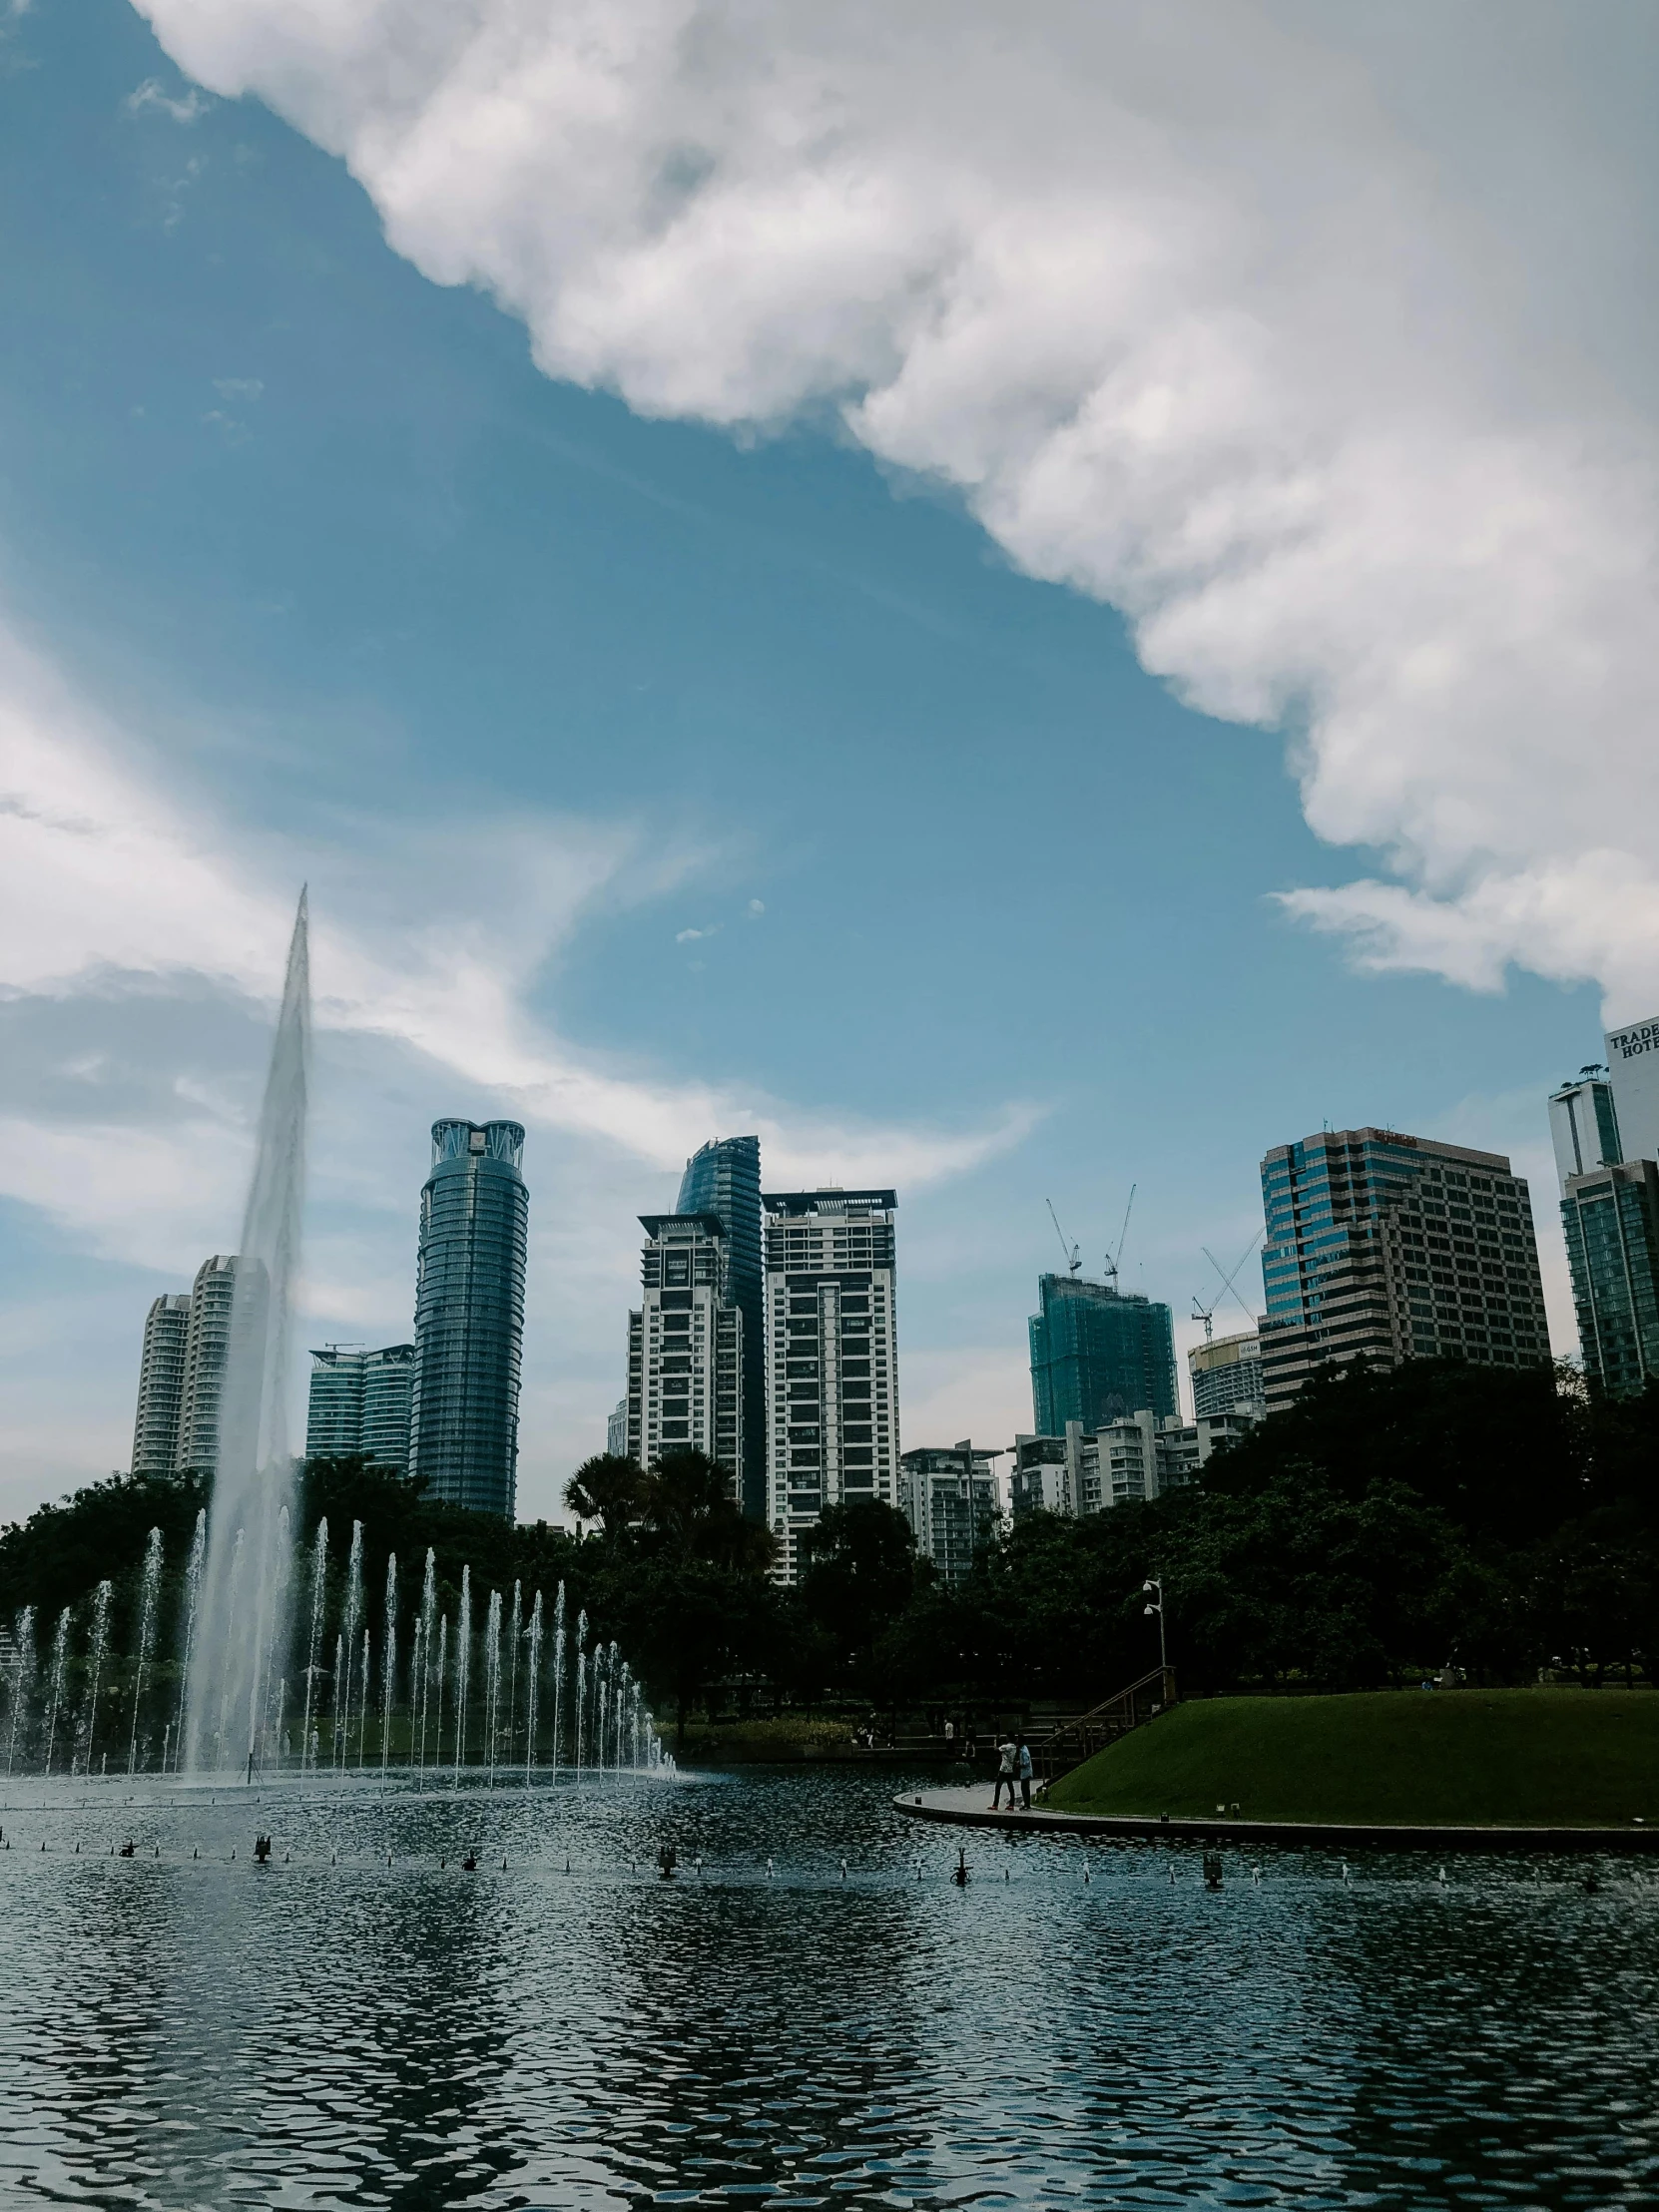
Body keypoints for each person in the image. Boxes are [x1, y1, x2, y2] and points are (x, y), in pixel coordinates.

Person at [991, 1733, 1018, 1810]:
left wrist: (995, 1740)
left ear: (1008, 1738)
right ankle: (1011, 1804)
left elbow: (996, 1749)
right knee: (1010, 1787)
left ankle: (995, 1804)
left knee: (998, 1787)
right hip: (1010, 1769)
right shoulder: (1014, 1747)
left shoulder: (1006, 1747)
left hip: (1003, 1769)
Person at [1017, 1734, 1033, 1810]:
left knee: (1025, 1788)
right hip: (1025, 1772)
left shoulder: (1024, 1751)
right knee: (1025, 1788)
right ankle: (1026, 1804)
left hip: (1026, 1772)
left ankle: (1027, 1804)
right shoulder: (1023, 1749)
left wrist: (1020, 1765)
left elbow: (1026, 1763)